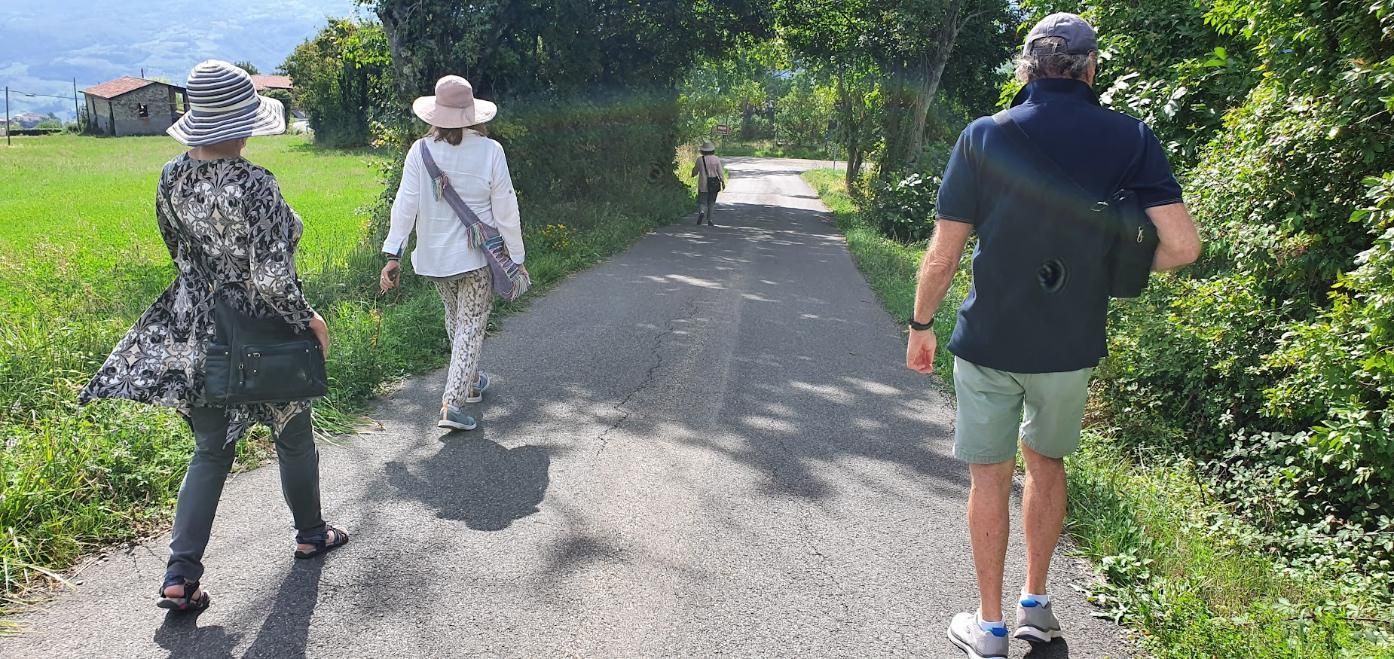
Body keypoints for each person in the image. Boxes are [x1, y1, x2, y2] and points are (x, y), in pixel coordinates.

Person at [903, 14, 1202, 658]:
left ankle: (989, 628)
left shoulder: (985, 135)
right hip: (1071, 345)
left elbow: (944, 255)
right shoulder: (1131, 137)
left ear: (1027, 68)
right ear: (1091, 69)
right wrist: (1112, 267)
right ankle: (1035, 607)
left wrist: (921, 325)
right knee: (1047, 461)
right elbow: (1182, 246)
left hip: (989, 340)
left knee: (989, 477)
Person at [79, 60, 348, 613]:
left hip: (196, 331)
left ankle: (180, 574)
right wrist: (309, 318)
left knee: (210, 450)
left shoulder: (170, 177)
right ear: (241, 123)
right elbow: (271, 276)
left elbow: (177, 250)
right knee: (293, 434)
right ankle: (310, 533)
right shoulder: (256, 183)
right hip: (264, 334)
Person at [379, 75, 526, 432]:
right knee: (470, 326)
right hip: (475, 258)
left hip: (435, 259)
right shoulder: (491, 151)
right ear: (473, 114)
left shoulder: (420, 151)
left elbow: (405, 204)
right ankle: (453, 403)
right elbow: (505, 207)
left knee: (456, 318)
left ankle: (471, 382)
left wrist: (394, 253)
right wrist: (516, 255)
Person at [691, 142, 726, 226]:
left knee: (702, 201)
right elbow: (720, 172)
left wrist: (693, 174)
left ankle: (702, 212)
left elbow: (695, 170)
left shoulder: (700, 159)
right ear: (712, 150)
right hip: (714, 184)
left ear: (702, 151)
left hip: (703, 183)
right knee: (711, 202)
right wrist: (722, 181)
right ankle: (709, 220)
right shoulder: (716, 159)